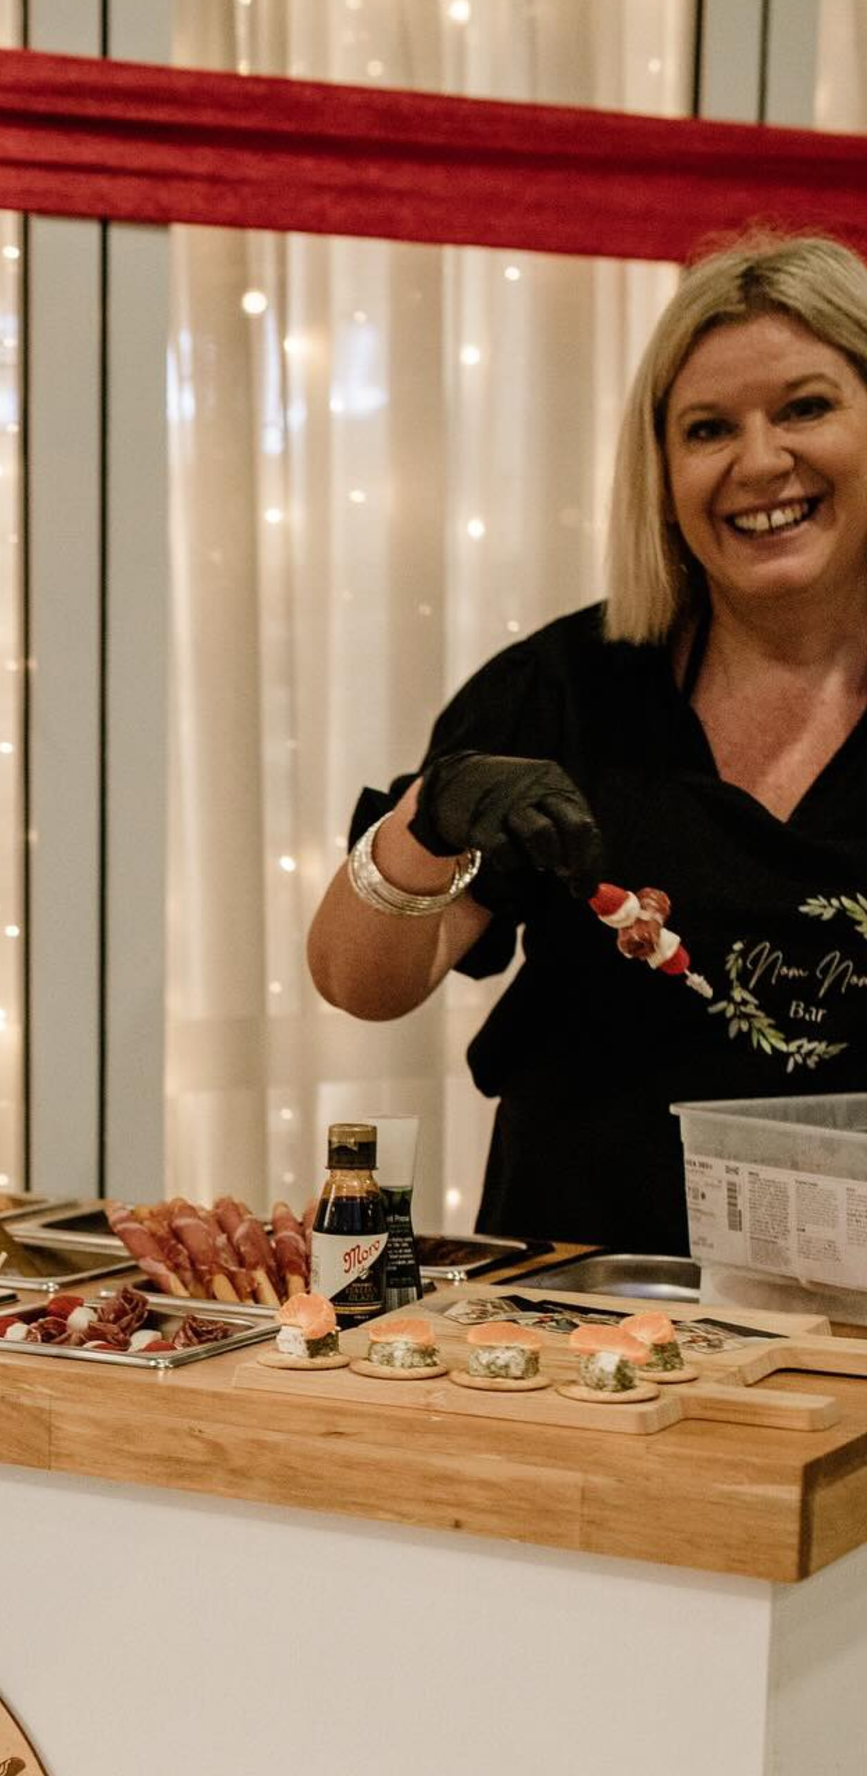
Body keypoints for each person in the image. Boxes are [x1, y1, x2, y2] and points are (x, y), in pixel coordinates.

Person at [307, 232, 867, 1253]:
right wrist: (422, 829)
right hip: (579, 1313)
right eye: (706, 429)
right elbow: (360, 982)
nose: (758, 461)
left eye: (803, 407)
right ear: (659, 472)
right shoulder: (564, 689)